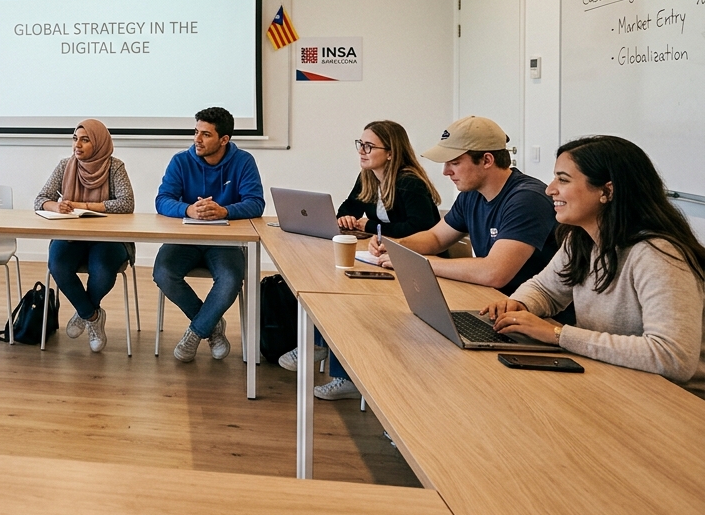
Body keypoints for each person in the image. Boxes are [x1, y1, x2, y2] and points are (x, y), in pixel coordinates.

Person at [485, 137, 705, 397]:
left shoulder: (658, 255)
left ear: (607, 191)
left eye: (563, 180)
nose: (550, 189)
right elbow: (545, 289)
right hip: (616, 381)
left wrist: (558, 335)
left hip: (676, 402)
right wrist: (520, 305)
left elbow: (672, 357)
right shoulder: (581, 239)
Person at [283, 120, 444, 400]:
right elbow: (347, 209)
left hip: (415, 264)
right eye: (360, 144)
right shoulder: (369, 177)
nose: (362, 151)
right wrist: (347, 219)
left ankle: (342, 370)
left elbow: (422, 229)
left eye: (369, 146)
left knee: (348, 299)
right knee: (331, 284)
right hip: (383, 257)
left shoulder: (409, 182)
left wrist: (367, 226)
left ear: (391, 152)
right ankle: (320, 346)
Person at [368, 116, 558, 295]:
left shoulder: (528, 199)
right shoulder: (471, 195)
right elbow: (436, 238)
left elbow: (494, 272)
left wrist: (414, 262)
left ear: (487, 160)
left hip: (535, 315)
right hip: (492, 300)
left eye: (454, 163)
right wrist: (395, 246)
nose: (446, 172)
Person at [153, 107, 265, 362]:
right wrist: (188, 209)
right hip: (186, 240)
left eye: (205, 134)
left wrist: (224, 210)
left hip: (225, 242)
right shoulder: (180, 161)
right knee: (163, 272)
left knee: (230, 279)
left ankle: (195, 332)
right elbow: (162, 200)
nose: (197, 139)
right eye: (196, 132)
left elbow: (256, 203)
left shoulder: (243, 161)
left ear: (224, 139)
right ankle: (212, 326)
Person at [33, 119, 135, 353]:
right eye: (75, 138)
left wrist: (83, 204)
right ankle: (92, 315)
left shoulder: (115, 166)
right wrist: (54, 206)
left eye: (85, 140)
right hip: (72, 234)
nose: (77, 145)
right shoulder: (65, 166)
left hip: (108, 237)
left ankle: (83, 312)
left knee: (102, 269)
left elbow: (126, 204)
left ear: (99, 143)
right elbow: (40, 199)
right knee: (57, 264)